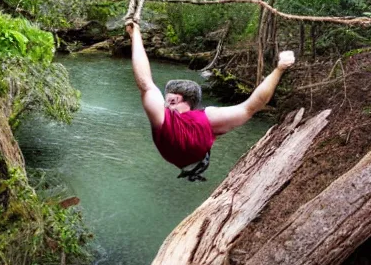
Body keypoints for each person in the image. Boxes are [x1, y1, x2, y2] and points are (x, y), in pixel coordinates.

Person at [126, 22, 295, 181]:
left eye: (168, 99)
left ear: (176, 99)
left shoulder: (169, 119)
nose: (165, 103)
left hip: (186, 152)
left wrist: (136, 35)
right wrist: (279, 69)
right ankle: (198, 164)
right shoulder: (206, 120)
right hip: (194, 153)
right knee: (240, 113)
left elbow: (145, 84)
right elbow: (252, 107)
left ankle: (198, 165)